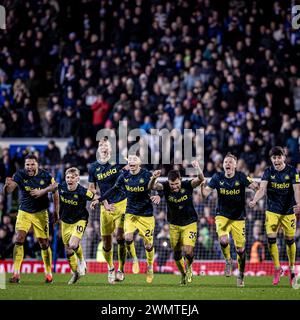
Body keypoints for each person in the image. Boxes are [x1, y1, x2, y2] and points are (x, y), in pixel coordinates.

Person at [91, 154, 157, 283]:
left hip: (146, 214)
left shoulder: (146, 174)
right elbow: (113, 189)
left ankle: (150, 266)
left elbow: (157, 187)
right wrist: (99, 199)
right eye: (130, 160)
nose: (131, 162)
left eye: (134, 160)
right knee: (126, 238)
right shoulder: (124, 176)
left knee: (148, 245)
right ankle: (134, 259)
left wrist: (158, 195)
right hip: (130, 213)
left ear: (139, 162)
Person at [201, 153, 258, 287]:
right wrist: (201, 185)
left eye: (231, 162)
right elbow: (204, 194)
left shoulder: (241, 177)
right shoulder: (217, 177)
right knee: (223, 240)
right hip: (222, 216)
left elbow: (256, 187)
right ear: (223, 164)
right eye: (226, 162)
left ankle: (241, 275)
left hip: (239, 218)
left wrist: (255, 198)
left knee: (240, 250)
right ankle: (228, 260)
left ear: (235, 165)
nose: (228, 164)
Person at [88, 138, 138, 284]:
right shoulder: (93, 167)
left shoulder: (119, 160)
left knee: (120, 236)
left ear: (111, 148)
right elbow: (92, 189)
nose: (103, 147)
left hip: (122, 203)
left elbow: (133, 167)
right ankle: (111, 268)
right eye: (101, 145)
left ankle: (121, 269)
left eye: (106, 145)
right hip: (106, 207)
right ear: (98, 149)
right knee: (106, 243)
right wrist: (103, 202)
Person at [3, 154, 59, 283]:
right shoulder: (20, 174)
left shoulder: (45, 175)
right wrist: (7, 186)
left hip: (41, 213)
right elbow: (9, 191)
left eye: (32, 164)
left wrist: (55, 211)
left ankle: (48, 273)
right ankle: (16, 274)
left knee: (44, 243)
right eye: (27, 164)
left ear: (37, 164)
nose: (29, 167)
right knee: (19, 238)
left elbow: (55, 188)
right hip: (24, 212)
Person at [249, 146, 300, 287]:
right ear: (271, 159)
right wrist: (254, 200)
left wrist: (299, 203)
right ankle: (277, 268)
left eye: (279, 157)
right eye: (274, 158)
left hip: (288, 211)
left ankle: (291, 270)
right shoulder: (268, 172)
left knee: (290, 240)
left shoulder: (292, 171)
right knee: (271, 238)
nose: (276, 160)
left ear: (283, 157)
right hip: (272, 211)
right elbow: (262, 189)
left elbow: (297, 189)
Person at [148, 160, 204, 285]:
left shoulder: (188, 185)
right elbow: (151, 186)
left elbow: (200, 179)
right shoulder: (166, 186)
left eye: (176, 183)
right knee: (177, 253)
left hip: (190, 223)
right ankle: (183, 274)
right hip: (174, 225)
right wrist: (153, 178)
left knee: (188, 251)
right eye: (172, 184)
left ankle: (189, 269)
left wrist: (197, 168)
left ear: (180, 180)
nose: (174, 186)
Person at [56, 167, 97, 284]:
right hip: (65, 222)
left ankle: (82, 260)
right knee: (68, 251)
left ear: (77, 179)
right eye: (68, 177)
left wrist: (103, 203)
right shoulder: (62, 187)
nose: (69, 179)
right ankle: (75, 273)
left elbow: (96, 197)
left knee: (73, 244)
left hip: (80, 220)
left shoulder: (82, 191)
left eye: (72, 177)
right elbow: (53, 189)